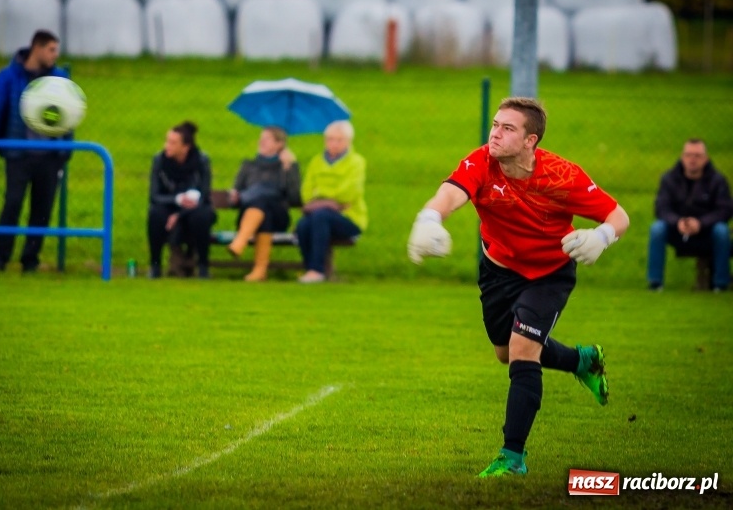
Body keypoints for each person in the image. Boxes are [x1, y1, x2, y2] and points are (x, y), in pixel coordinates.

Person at [407, 97, 630, 477]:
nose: (495, 133)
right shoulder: (482, 161)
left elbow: (618, 214)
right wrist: (430, 218)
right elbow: (451, 193)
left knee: (523, 352)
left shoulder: (562, 175)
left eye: (507, 128)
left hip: (548, 274)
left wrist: (604, 235)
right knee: (504, 352)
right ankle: (581, 360)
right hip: (498, 271)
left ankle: (512, 457)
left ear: (531, 140)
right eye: (495, 125)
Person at [0, 29, 72, 273]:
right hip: (18, 155)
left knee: (42, 211)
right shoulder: (8, 77)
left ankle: (30, 260)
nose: (55, 55)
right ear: (37, 48)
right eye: (51, 50)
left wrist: (65, 150)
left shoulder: (59, 78)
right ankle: (0, 258)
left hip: (49, 157)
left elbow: (70, 115)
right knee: (12, 204)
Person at [647, 138, 732, 292]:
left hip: (707, 231)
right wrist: (677, 222)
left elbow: (725, 210)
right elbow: (661, 208)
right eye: (688, 155)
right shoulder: (669, 179)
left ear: (706, 159)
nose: (692, 159)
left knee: (722, 231)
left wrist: (701, 223)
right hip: (677, 230)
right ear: (682, 157)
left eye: (697, 156)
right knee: (657, 229)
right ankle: (655, 283)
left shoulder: (717, 181)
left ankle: (721, 283)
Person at [295, 120, 367, 283]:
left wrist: (320, 197)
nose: (334, 143)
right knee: (303, 224)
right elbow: (306, 192)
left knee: (320, 216)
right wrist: (330, 202)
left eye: (339, 140)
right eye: (330, 139)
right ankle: (310, 269)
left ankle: (317, 270)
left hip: (349, 218)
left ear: (348, 141)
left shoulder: (356, 162)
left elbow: (348, 193)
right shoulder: (316, 162)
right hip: (321, 215)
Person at [227, 126, 301, 281]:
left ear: (279, 144)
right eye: (261, 138)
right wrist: (234, 197)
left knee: (264, 202)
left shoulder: (287, 166)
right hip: (248, 218)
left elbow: (295, 198)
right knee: (262, 207)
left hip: (278, 218)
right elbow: (235, 199)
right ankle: (260, 270)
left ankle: (240, 242)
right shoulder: (248, 165)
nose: (261, 141)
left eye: (267, 139)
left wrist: (289, 170)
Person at [147, 121, 216, 279]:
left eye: (172, 143)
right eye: (167, 141)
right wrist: (177, 199)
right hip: (169, 205)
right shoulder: (159, 161)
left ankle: (203, 266)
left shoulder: (202, 161)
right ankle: (155, 266)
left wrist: (179, 215)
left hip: (194, 208)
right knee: (155, 213)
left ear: (185, 147)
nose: (167, 146)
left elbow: (204, 195)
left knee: (202, 215)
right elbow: (154, 196)